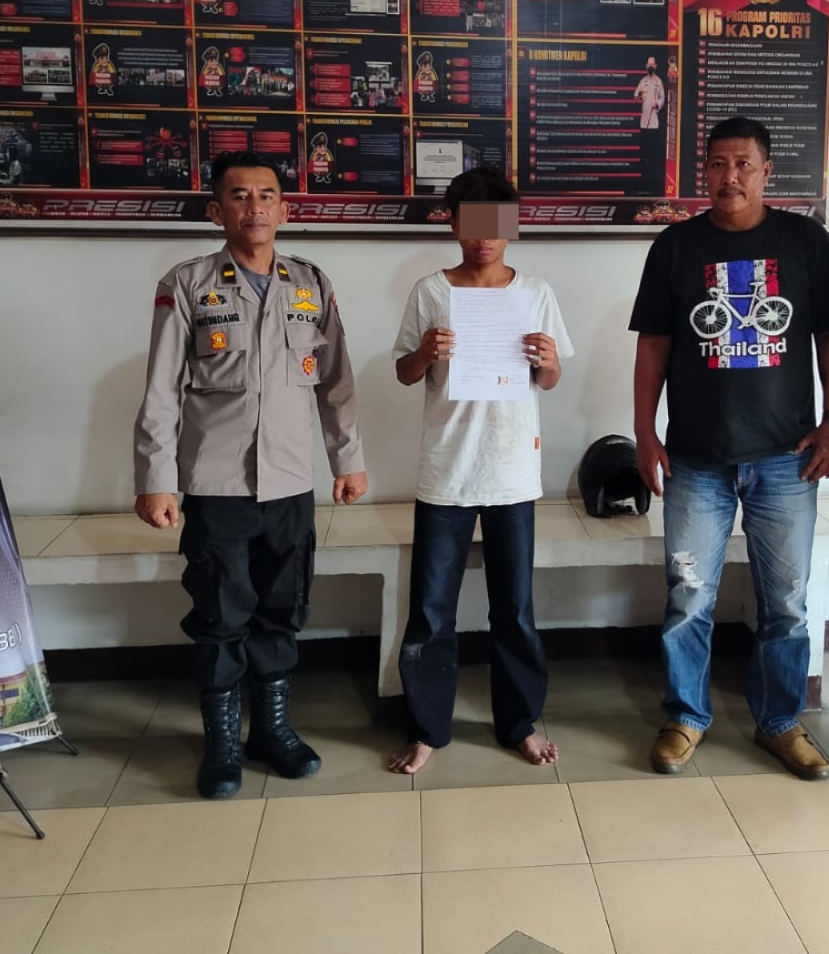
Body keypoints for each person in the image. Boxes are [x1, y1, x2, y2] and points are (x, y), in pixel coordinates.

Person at [133, 149, 368, 799]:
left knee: (281, 611)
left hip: (291, 483)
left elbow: (338, 384)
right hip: (218, 486)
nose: (255, 206)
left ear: (284, 209)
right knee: (219, 615)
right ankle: (221, 744)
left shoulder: (310, 284)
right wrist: (155, 478)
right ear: (217, 211)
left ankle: (273, 731)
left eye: (267, 195)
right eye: (239, 195)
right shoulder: (188, 284)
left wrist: (348, 461)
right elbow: (160, 390)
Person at [630, 115, 829, 779]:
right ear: (704, 171)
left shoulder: (806, 241)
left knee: (786, 601)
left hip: (788, 456)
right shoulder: (675, 246)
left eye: (744, 164)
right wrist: (645, 432)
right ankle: (686, 716)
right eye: (718, 164)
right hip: (696, 458)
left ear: (766, 171)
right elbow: (653, 346)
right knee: (688, 597)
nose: (730, 177)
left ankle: (780, 721)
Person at [387, 168, 573, 774]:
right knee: (431, 611)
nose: (485, 237)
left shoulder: (535, 292)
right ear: (453, 224)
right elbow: (404, 372)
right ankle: (427, 728)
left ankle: (519, 722)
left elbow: (550, 378)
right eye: (472, 223)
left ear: (512, 226)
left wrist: (549, 361)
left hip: (512, 470)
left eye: (496, 224)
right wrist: (425, 352)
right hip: (447, 470)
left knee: (514, 609)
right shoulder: (431, 291)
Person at [634, 58, 666, 130]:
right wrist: (639, 93)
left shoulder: (659, 81)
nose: (650, 66)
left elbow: (662, 97)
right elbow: (635, 98)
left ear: (655, 66)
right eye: (649, 64)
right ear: (646, 66)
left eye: (652, 64)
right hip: (644, 120)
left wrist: (657, 103)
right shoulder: (643, 81)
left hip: (654, 120)